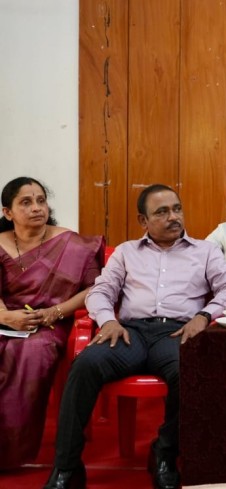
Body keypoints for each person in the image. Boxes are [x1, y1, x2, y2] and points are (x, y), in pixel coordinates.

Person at [44, 184, 226, 489]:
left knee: (189, 371)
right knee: (84, 365)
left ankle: (164, 454)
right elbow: (101, 291)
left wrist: (204, 316)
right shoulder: (126, 252)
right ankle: (67, 468)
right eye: (162, 212)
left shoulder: (206, 251)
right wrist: (108, 320)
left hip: (177, 331)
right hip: (128, 334)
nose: (173, 217)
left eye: (176, 209)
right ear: (143, 221)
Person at [0, 177, 104, 470]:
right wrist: (6, 316)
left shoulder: (73, 243)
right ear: (8, 212)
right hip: (5, 318)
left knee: (31, 353)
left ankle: (10, 451)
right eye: (26, 202)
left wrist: (55, 312)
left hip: (47, 324)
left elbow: (95, 288)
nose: (37, 208)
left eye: (41, 201)